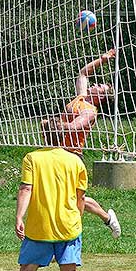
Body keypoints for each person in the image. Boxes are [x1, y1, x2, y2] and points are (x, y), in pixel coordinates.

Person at [50, 49, 121, 239]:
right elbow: (83, 73)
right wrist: (102, 59)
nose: (95, 85)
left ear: (101, 97)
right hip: (58, 153)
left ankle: (75, 234)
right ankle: (107, 219)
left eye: (100, 87)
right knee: (66, 198)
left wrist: (54, 125)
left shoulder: (90, 111)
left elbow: (73, 128)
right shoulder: (80, 98)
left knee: (75, 199)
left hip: (73, 156)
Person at [16, 118, 87, 271]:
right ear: (63, 135)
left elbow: (26, 189)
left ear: (43, 135)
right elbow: (80, 198)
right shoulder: (76, 161)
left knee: (27, 269)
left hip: (40, 225)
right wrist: (77, 218)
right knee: (69, 270)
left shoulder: (32, 158)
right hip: (68, 225)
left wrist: (19, 217)